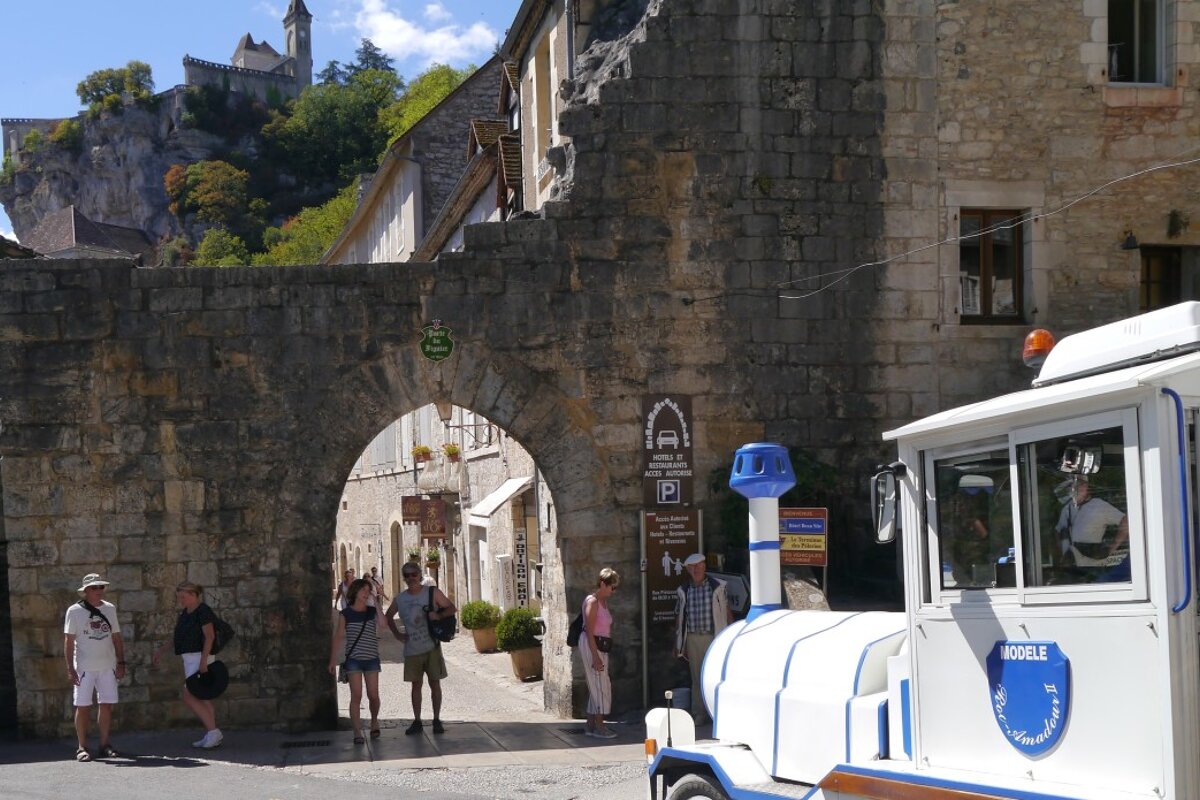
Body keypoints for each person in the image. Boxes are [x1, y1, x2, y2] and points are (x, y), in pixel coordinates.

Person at [385, 562, 456, 735]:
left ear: (419, 575)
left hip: (432, 645)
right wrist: (397, 635)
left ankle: (436, 719)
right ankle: (417, 720)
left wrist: (438, 615)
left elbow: (452, 608)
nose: (410, 578)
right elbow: (388, 616)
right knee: (416, 686)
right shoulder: (400, 599)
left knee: (435, 684)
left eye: (413, 574)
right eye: (407, 575)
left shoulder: (432, 592)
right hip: (412, 649)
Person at [152, 581, 223, 749]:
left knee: (189, 695)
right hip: (189, 658)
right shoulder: (186, 613)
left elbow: (210, 636)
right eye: (179, 597)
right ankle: (212, 734)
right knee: (202, 697)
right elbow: (177, 637)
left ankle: (214, 732)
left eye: (183, 597)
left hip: (200, 657)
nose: (180, 600)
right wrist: (161, 651)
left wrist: (204, 662)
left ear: (193, 595)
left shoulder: (203, 611)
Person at [63, 573, 126, 762]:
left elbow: (116, 637)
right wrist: (70, 668)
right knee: (82, 706)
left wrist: (121, 662)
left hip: (107, 665)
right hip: (84, 666)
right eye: (94, 588)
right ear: (86, 591)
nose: (99, 591)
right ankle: (82, 747)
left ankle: (105, 744)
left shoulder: (110, 609)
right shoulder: (74, 611)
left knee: (106, 704)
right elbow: (68, 640)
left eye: (101, 587)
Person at [673, 554, 732, 725]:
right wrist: (677, 642)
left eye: (698, 566)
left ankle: (717, 712)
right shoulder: (684, 590)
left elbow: (727, 611)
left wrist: (730, 633)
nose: (696, 570)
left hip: (713, 636)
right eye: (692, 567)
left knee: (715, 675)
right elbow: (679, 617)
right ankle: (699, 713)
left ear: (704, 566)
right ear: (688, 570)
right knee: (697, 677)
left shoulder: (717, 587)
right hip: (692, 638)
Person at [329, 578, 383, 743]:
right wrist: (332, 660)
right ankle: (357, 732)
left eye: (368, 590)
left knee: (373, 695)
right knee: (356, 696)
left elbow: (384, 624)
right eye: (363, 590)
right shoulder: (346, 614)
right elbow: (338, 637)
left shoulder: (372, 612)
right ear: (355, 592)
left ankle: (374, 721)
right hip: (353, 660)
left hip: (371, 659)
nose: (366, 593)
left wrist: (377, 602)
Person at [580, 568, 620, 738]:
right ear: (603, 584)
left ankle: (590, 725)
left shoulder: (603, 601)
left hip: (601, 646)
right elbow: (589, 631)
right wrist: (595, 656)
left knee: (598, 683)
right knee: (601, 686)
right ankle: (600, 726)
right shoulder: (593, 602)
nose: (614, 591)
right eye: (612, 587)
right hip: (593, 645)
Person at [1055, 476, 1129, 567]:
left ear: (1086, 487)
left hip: (1092, 565)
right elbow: (1058, 531)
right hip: (1071, 566)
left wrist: (1113, 547)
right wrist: (1062, 553)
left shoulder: (1098, 505)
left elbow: (1126, 521)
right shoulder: (1067, 509)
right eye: (1073, 485)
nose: (1076, 488)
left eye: (1080, 485)